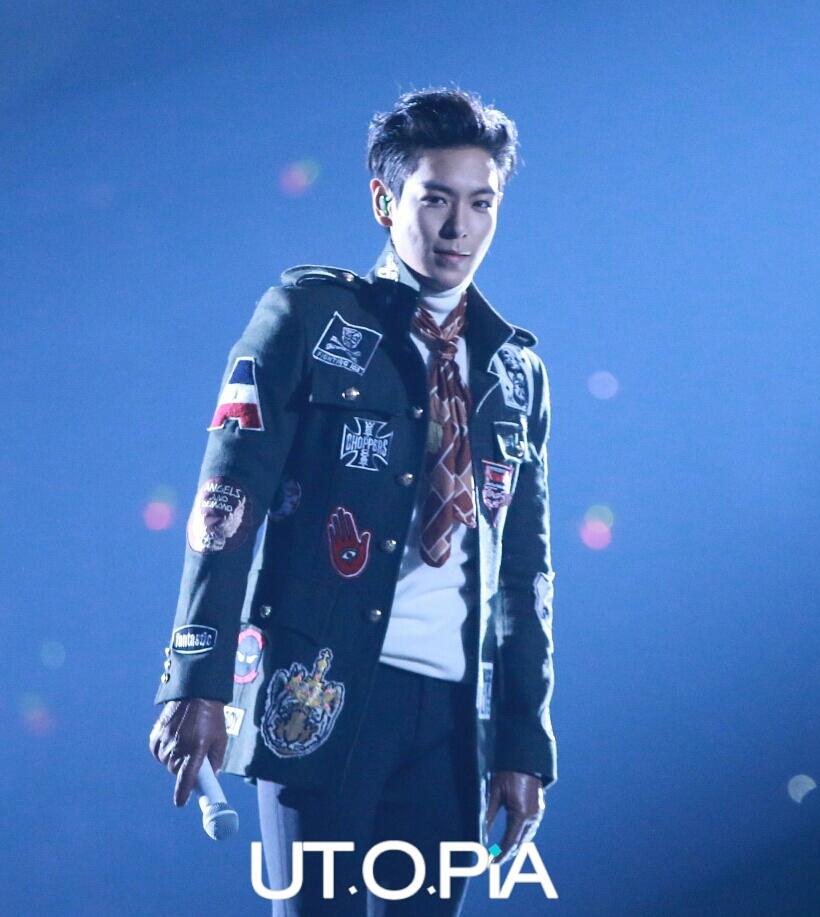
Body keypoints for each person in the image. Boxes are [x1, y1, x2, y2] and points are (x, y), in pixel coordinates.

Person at [149, 86, 557, 916]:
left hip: (454, 719)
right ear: (383, 200)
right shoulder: (307, 317)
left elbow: (525, 574)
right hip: (319, 689)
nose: (458, 227)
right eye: (434, 198)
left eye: (481, 203)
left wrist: (523, 741)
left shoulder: (515, 370)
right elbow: (226, 506)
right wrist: (196, 678)